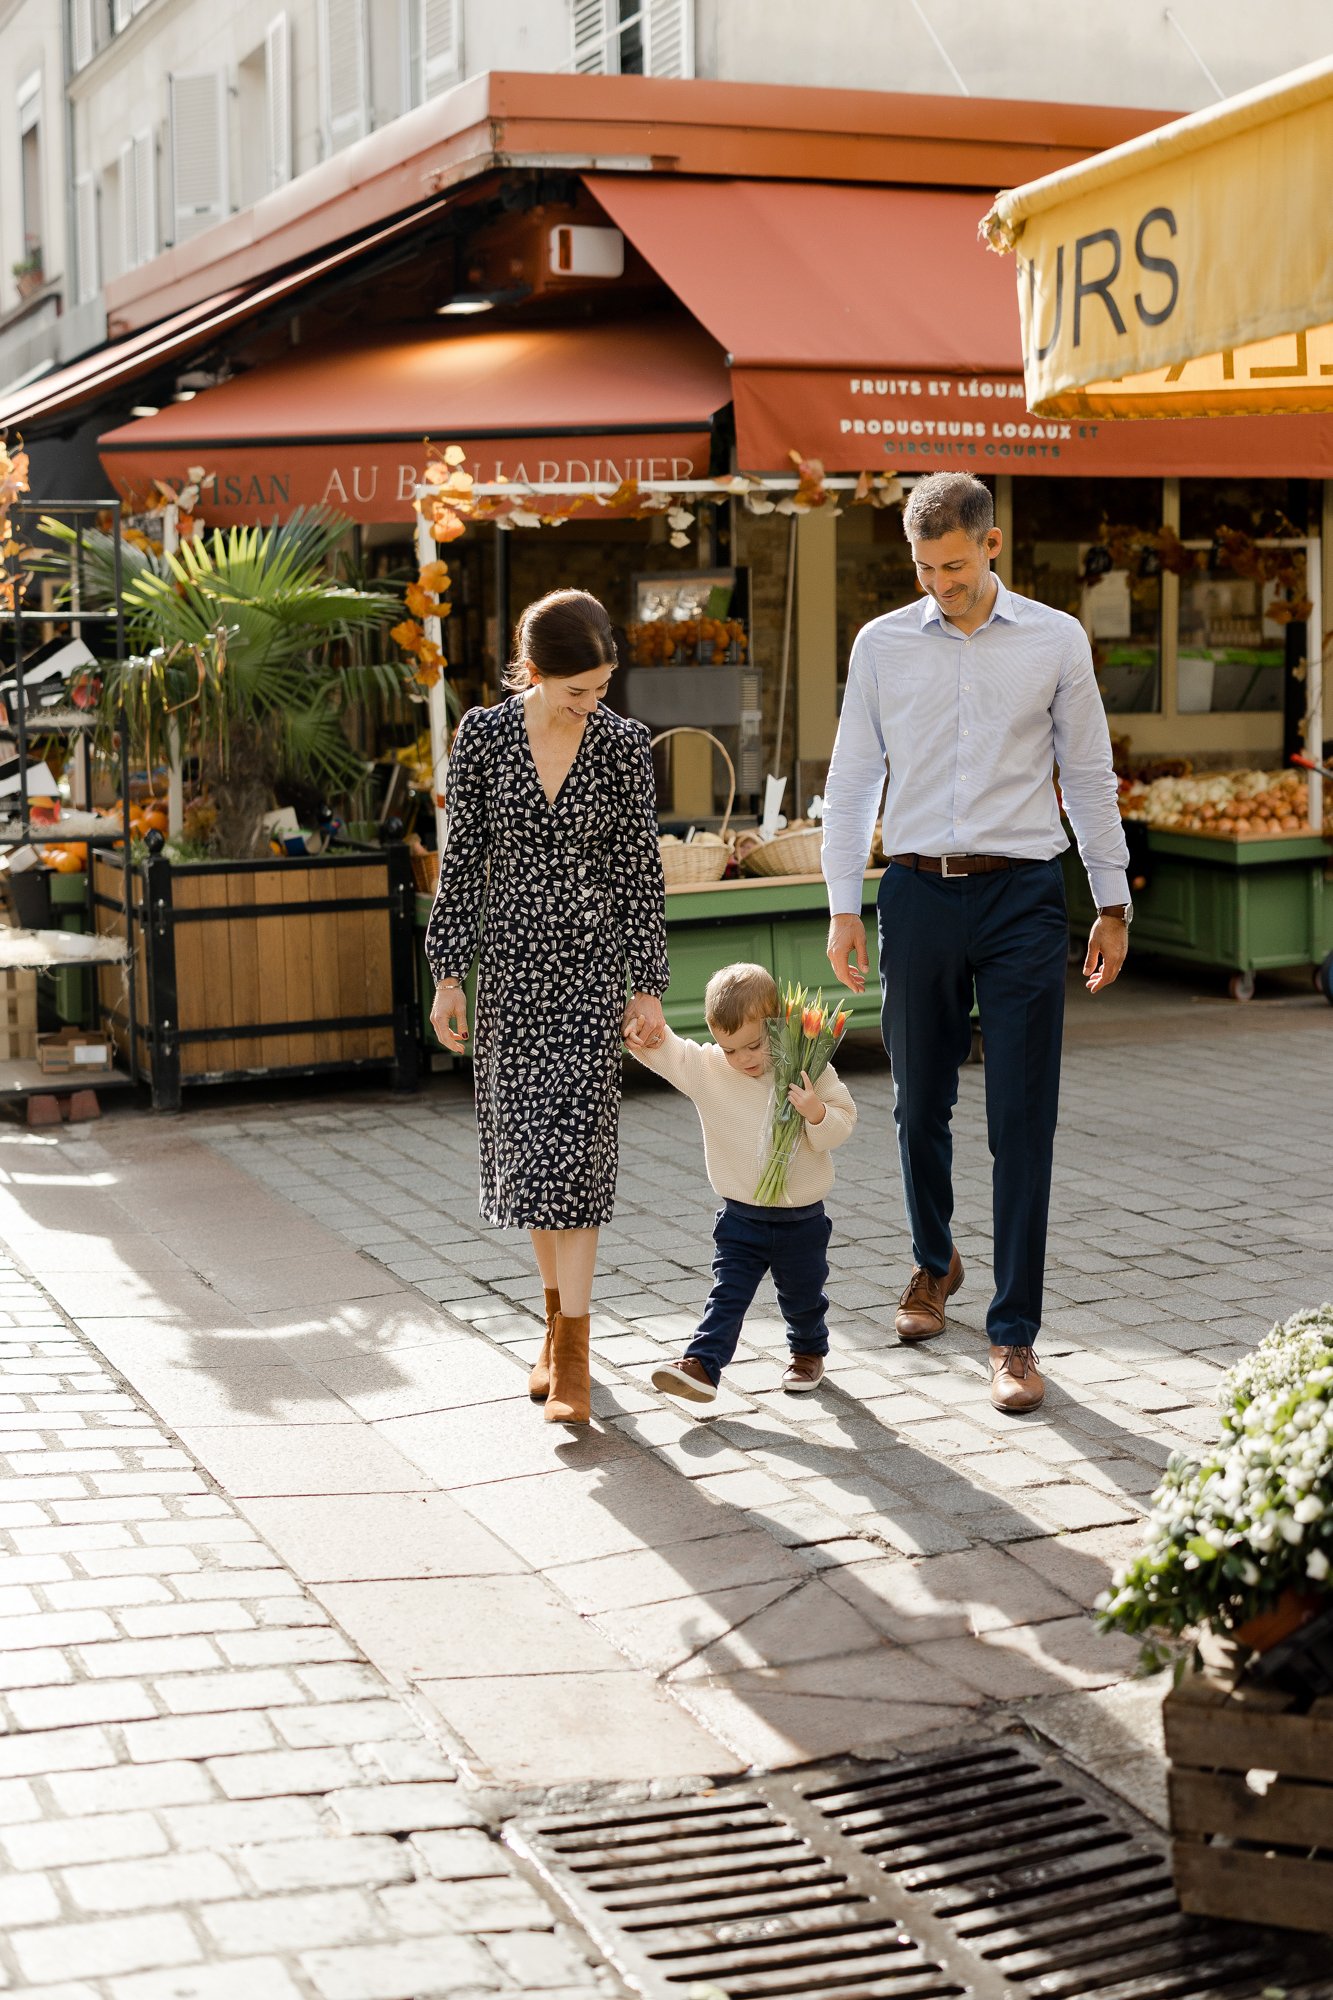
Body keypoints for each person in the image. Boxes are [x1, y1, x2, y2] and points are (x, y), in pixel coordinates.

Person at [821, 471, 1130, 1415]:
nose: (938, 583)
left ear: (991, 545)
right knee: (918, 1104)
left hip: (1024, 897)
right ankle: (933, 1262)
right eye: (922, 566)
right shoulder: (881, 645)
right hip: (915, 891)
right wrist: (842, 904)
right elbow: (852, 774)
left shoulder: (1054, 639)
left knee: (1021, 1119)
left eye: (953, 565)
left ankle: (1013, 1332)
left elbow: (1087, 774)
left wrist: (1109, 901)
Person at [425, 589, 669, 1428]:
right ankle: (552, 1320)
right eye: (576, 690)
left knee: (576, 1154)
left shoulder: (622, 746)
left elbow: (641, 873)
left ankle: (574, 1356)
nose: (591, 703)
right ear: (532, 673)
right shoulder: (485, 737)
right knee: (532, 1163)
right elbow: (462, 864)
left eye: (602, 686)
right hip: (515, 976)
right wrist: (448, 974)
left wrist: (646, 986)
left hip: (590, 973)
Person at [631, 962, 857, 1406]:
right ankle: (701, 1365)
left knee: (804, 1296)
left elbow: (843, 1121)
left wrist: (815, 1112)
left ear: (779, 1021)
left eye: (754, 1045)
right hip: (741, 1216)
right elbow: (670, 1051)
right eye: (730, 1049)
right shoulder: (711, 1069)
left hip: (802, 1219)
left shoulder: (808, 1064)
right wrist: (643, 1033)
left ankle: (808, 1351)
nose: (744, 1059)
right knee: (727, 1295)